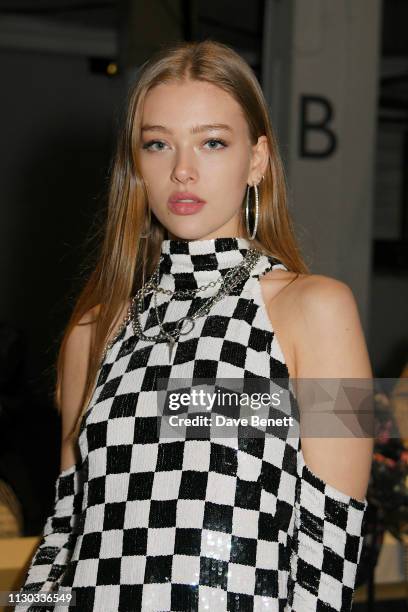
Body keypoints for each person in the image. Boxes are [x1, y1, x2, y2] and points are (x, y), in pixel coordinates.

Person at [18, 39, 373, 611]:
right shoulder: (93, 330)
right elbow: (64, 530)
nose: (182, 170)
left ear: (256, 159)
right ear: (136, 162)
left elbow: (333, 539)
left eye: (212, 142)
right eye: (158, 144)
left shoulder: (320, 310)